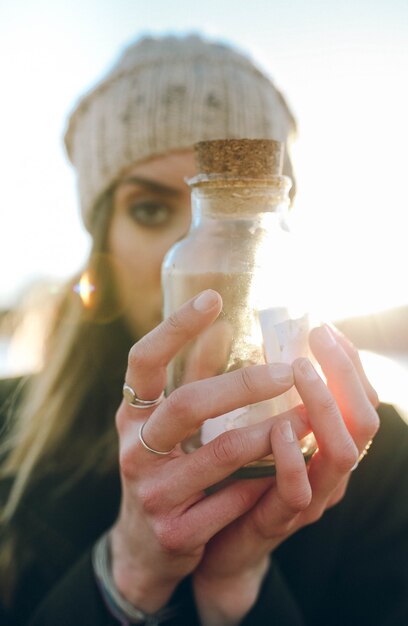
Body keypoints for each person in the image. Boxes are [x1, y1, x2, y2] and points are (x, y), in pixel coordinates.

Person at [0, 33, 407, 626]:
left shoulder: (373, 456)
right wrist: (129, 573)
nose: (203, 251)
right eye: (149, 209)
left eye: (238, 215)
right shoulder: (8, 439)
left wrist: (238, 587)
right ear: (102, 246)